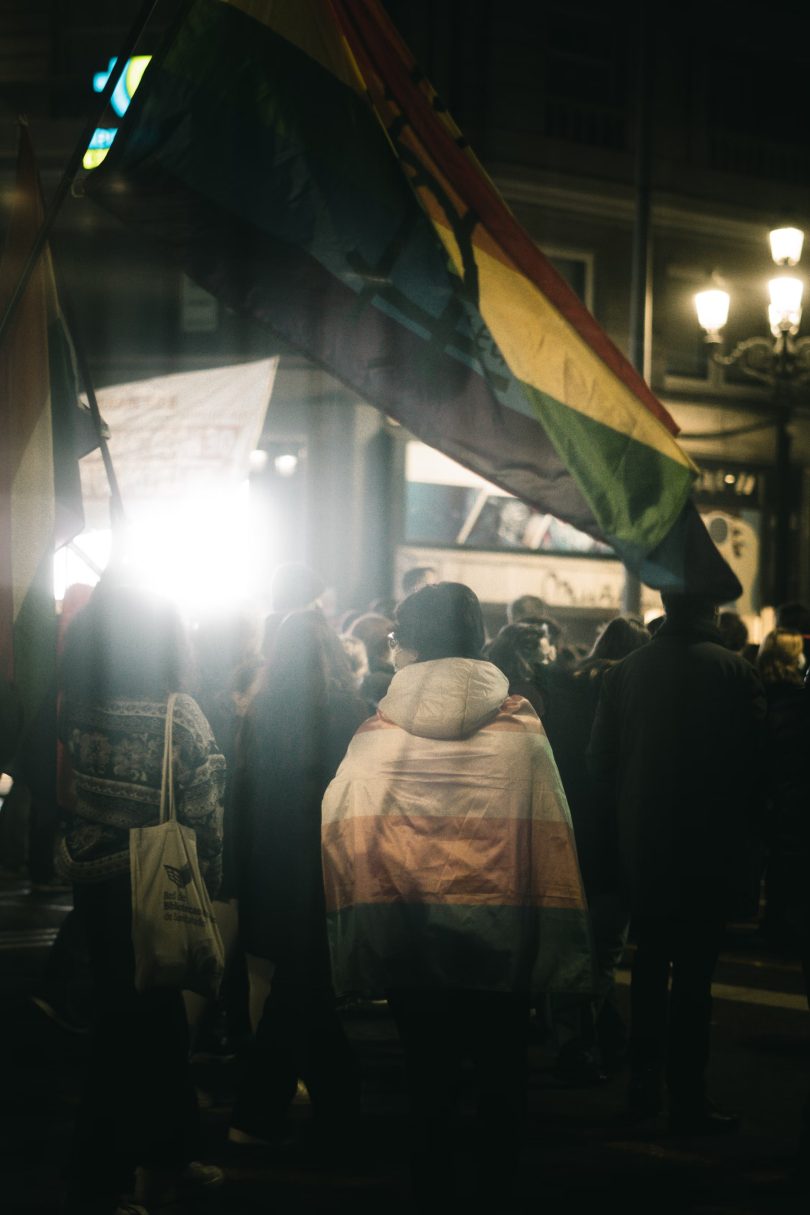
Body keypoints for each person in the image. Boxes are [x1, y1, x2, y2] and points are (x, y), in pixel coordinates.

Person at [321, 582, 593, 1209]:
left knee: (426, 1082)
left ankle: (432, 1192)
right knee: (504, 1081)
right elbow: (552, 838)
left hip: (411, 938)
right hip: (503, 937)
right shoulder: (523, 734)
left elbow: (343, 830)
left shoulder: (376, 736)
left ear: (408, 643)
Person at [57, 580, 226, 1215]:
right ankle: (104, 1176)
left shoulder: (80, 705)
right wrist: (208, 884)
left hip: (94, 881)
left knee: (133, 1022)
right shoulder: (178, 712)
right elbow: (206, 814)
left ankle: (168, 1157)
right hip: (155, 885)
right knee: (142, 1028)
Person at [588, 591, 767, 1135]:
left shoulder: (626, 673)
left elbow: (600, 766)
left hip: (644, 845)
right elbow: (756, 773)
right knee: (695, 979)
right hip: (711, 850)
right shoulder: (737, 673)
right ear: (711, 611)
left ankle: (641, 1091)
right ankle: (689, 1096)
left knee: (646, 967)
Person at [228, 609, 368, 1156]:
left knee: (298, 987)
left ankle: (288, 1112)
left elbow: (241, 796)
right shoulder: (351, 713)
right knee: (307, 987)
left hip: (270, 866)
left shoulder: (259, 710)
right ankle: (293, 1113)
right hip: (330, 864)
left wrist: (237, 872)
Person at [542, 615, 650, 1082]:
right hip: (616, 836)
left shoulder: (565, 691)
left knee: (568, 947)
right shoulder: (636, 695)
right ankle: (585, 1040)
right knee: (604, 950)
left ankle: (576, 1038)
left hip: (565, 831)